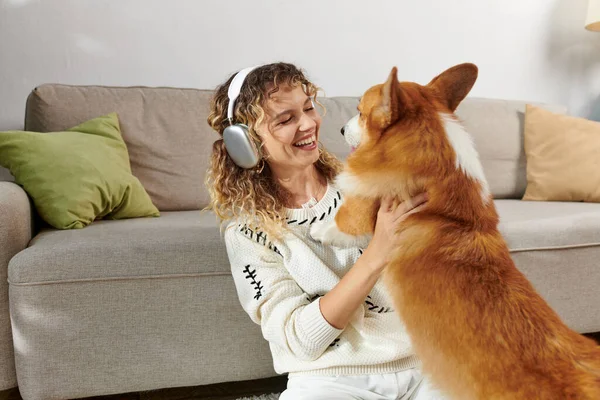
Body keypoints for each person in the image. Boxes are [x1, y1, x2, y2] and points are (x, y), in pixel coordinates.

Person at [205, 62, 443, 399]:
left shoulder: (367, 184)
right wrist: (377, 253)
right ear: (245, 142)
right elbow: (302, 340)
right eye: (285, 120)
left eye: (308, 108)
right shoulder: (248, 234)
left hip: (425, 365)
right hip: (331, 379)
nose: (308, 124)